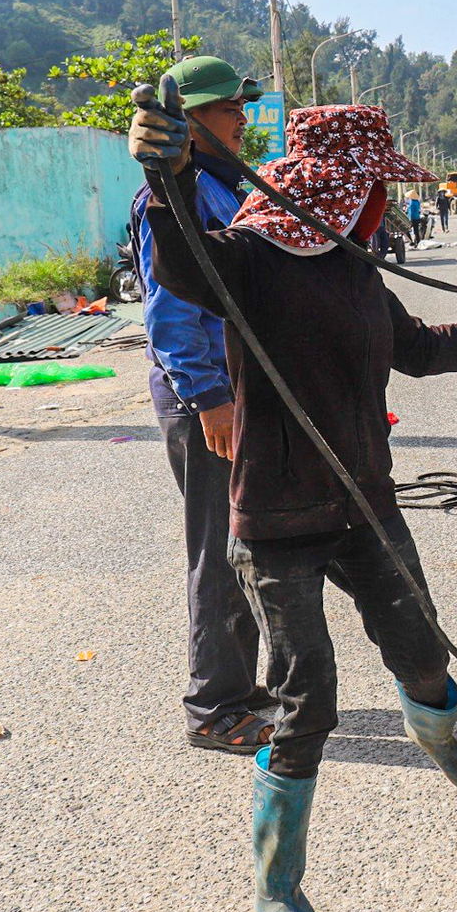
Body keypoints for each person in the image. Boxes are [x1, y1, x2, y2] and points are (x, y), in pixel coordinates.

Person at [128, 88, 457, 912]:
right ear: (342, 185)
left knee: (425, 655)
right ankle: (278, 884)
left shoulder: (354, 267)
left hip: (366, 506)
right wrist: (166, 177)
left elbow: (426, 350)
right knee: (307, 697)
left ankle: (434, 727)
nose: (385, 207)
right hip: (279, 519)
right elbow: (181, 267)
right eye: (377, 189)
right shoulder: (247, 260)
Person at [130, 55, 277, 754]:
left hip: (234, 389)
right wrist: (210, 398)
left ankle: (242, 687)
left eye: (241, 106)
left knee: (244, 542)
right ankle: (213, 707)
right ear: (186, 124)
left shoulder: (225, 185)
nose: (241, 119)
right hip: (205, 397)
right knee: (218, 551)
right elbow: (174, 313)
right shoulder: (173, 196)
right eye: (226, 109)